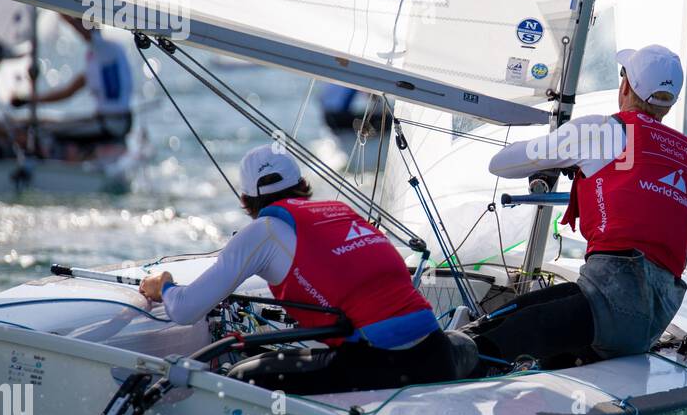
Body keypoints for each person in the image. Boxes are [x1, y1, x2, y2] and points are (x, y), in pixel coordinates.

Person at [137, 144, 476, 393]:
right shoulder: (341, 212)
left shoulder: (263, 230)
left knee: (239, 376)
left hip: (377, 366)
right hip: (436, 356)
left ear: (245, 200)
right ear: (302, 184)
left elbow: (185, 310)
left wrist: (164, 286)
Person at [468, 44, 687, 369]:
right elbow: (638, 176)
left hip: (608, 305)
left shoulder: (601, 130)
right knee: (526, 325)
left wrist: (565, 154)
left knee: (481, 341)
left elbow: (501, 164)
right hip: (649, 318)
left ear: (626, 86)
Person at [12, 14, 134, 152]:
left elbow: (83, 29)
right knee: (41, 123)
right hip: (106, 121)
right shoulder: (96, 60)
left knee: (43, 130)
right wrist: (28, 100)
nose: (80, 29)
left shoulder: (108, 49)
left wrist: (59, 9)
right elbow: (67, 93)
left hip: (112, 124)